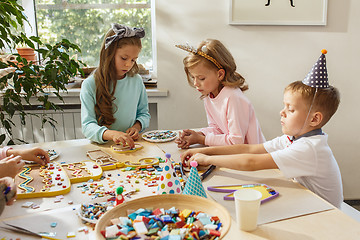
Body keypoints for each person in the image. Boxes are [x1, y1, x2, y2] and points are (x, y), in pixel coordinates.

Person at [181, 50, 343, 208]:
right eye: (284, 106)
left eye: (290, 109)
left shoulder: (309, 148)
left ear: (315, 119)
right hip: (311, 204)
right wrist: (204, 152)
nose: (282, 112)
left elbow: (250, 162)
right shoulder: (293, 139)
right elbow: (251, 149)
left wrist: (206, 159)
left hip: (328, 215)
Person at [174, 39, 265, 149]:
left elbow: (236, 141)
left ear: (220, 74)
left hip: (252, 158)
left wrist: (201, 139)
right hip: (235, 155)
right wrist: (198, 135)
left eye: (201, 78)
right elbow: (217, 129)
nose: (195, 83)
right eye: (193, 77)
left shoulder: (233, 97)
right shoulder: (209, 96)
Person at [80, 23, 151, 147]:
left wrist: (137, 126)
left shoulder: (136, 81)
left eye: (133, 60)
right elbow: (87, 126)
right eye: (124, 58)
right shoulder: (90, 84)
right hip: (103, 148)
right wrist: (112, 134)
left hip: (130, 146)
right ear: (109, 54)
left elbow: (144, 114)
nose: (129, 64)